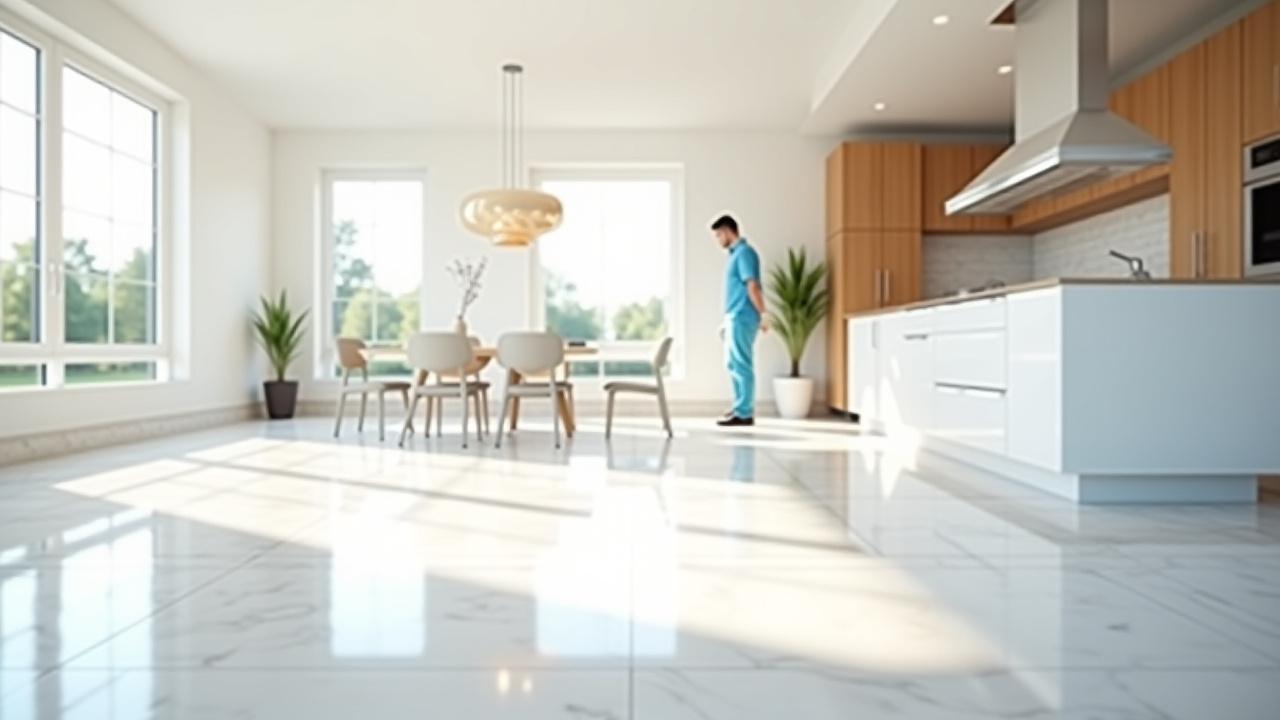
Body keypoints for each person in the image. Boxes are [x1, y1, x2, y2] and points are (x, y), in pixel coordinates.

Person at [712, 214, 766, 427]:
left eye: (719, 235)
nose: (718, 240)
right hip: (734, 316)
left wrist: (763, 313)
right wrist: (727, 321)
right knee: (732, 363)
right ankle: (739, 407)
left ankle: (744, 413)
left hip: (743, 316)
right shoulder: (735, 255)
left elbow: (752, 285)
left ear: (727, 231)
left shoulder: (744, 253)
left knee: (742, 364)